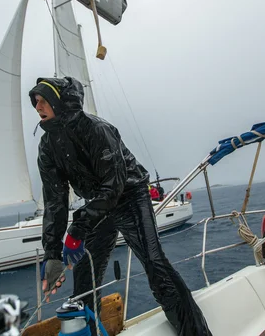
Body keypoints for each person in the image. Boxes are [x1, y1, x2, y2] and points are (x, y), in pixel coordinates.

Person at [29, 76, 212, 336]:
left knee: (155, 266)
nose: (37, 107)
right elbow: (55, 201)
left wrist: (79, 228)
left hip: (129, 195)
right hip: (97, 205)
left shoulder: (97, 129)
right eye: (36, 102)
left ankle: (195, 333)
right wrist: (52, 254)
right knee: (84, 282)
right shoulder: (47, 146)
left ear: (62, 102)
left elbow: (113, 185)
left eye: (43, 100)